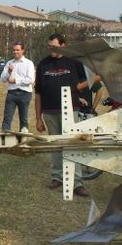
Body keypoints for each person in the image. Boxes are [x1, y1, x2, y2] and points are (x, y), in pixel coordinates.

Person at [34, 33, 90, 197]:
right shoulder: (43, 64)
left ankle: (77, 182)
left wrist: (77, 88)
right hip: (50, 112)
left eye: (54, 45)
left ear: (63, 46)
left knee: (73, 144)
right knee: (56, 145)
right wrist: (38, 118)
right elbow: (38, 94)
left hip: (71, 110)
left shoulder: (73, 61)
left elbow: (93, 78)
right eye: (49, 45)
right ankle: (57, 177)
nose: (51, 48)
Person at [0, 42, 36, 132]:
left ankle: (23, 140)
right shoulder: (9, 63)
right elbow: (2, 79)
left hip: (25, 93)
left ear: (23, 50)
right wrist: (8, 71)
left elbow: (31, 79)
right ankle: (5, 137)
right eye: (14, 50)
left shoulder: (29, 63)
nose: (15, 52)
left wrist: (15, 80)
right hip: (11, 94)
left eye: (18, 50)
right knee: (7, 118)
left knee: (23, 119)